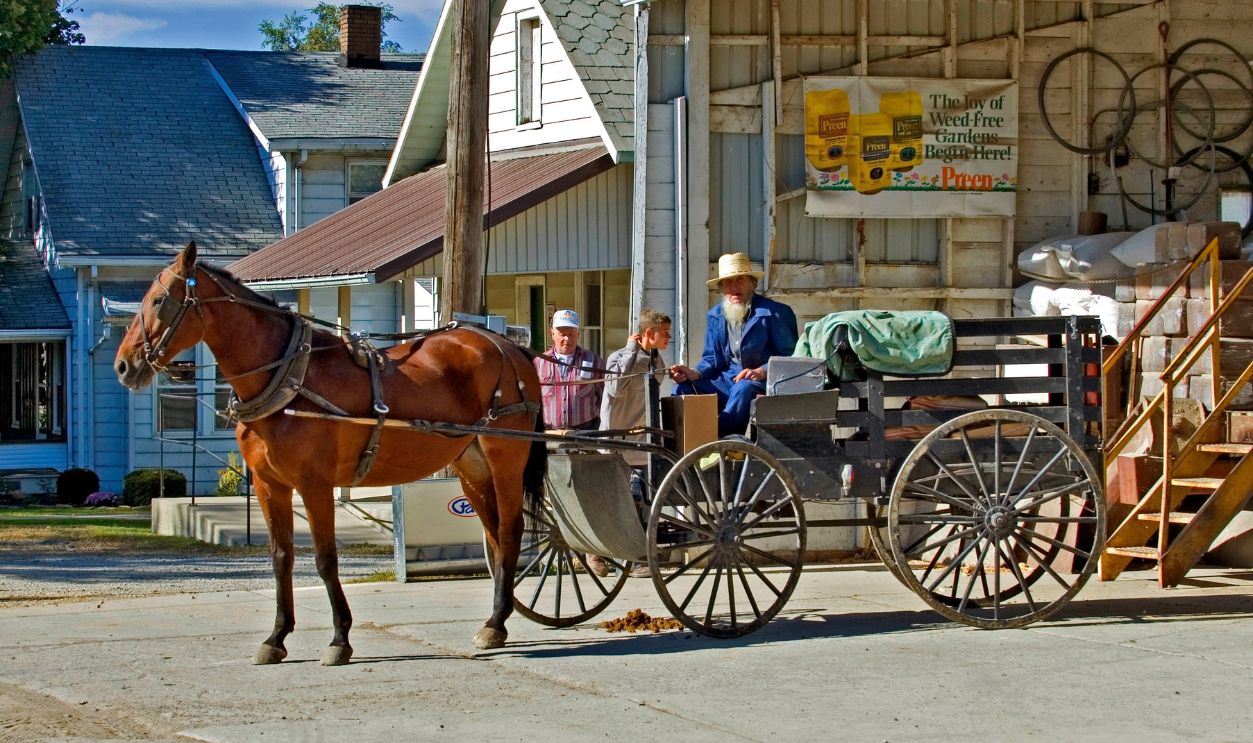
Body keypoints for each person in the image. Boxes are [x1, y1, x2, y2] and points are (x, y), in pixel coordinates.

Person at [668, 252, 798, 438]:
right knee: (682, 390)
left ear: (752, 283)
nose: (733, 287)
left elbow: (791, 357)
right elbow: (712, 358)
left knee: (742, 388)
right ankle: (684, 443)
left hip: (763, 382)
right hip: (727, 381)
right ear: (721, 288)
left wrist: (761, 371)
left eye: (740, 280)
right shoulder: (716, 315)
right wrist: (694, 373)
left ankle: (720, 444)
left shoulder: (774, 313)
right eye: (728, 282)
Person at [600, 309, 672, 578]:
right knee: (616, 500)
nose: (668, 338)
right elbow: (615, 388)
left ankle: (642, 556)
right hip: (616, 442)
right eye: (664, 334)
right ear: (648, 334)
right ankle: (601, 551)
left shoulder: (657, 361)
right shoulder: (619, 357)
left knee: (647, 501)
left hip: (643, 443)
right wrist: (632, 348)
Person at [534, 309, 604, 431]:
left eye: (571, 334)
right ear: (552, 334)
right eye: (562, 334)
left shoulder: (594, 361)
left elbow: (604, 398)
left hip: (586, 433)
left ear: (578, 335)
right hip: (549, 434)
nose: (567, 338)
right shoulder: (539, 363)